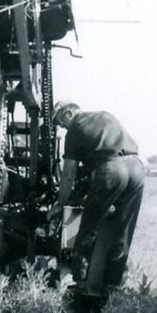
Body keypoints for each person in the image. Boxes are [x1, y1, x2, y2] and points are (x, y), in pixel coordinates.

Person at [47, 101, 145, 299]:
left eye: (60, 121)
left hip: (112, 170)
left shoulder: (75, 127)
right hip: (136, 168)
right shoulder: (105, 115)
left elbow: (68, 173)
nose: (62, 127)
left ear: (68, 113)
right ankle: (112, 287)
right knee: (122, 231)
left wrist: (60, 203)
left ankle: (81, 284)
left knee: (88, 228)